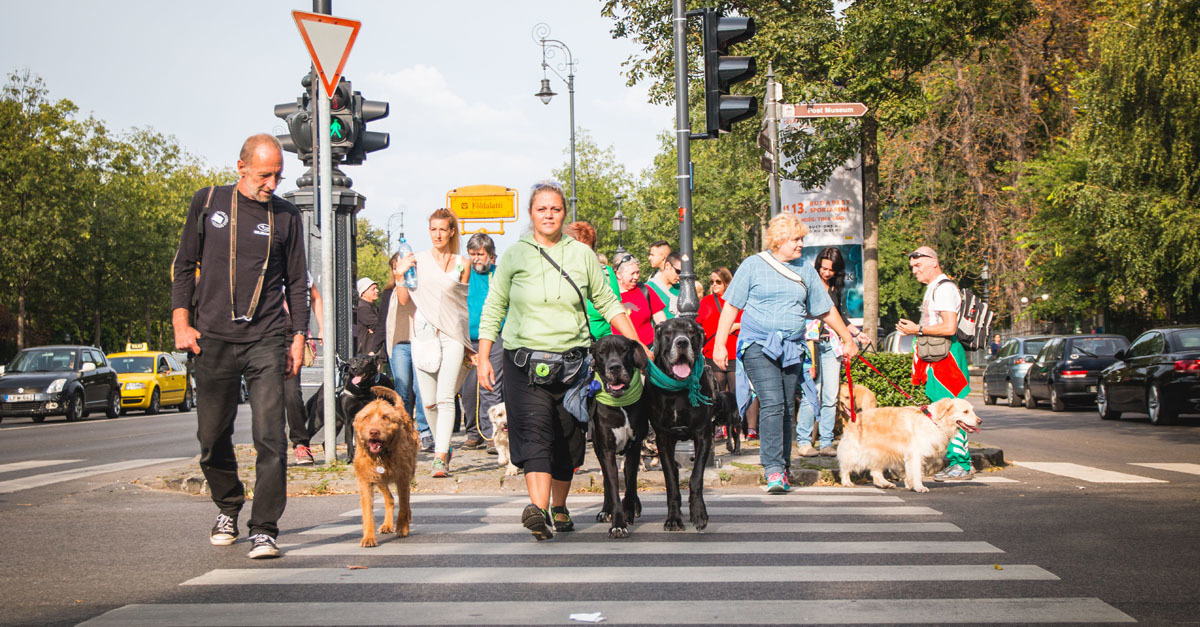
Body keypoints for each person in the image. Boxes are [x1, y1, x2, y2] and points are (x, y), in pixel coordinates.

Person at [477, 180, 646, 541]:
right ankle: (538, 510)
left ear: (563, 213)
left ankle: (559, 506)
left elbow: (607, 302)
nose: (549, 214)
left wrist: (636, 346)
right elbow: (494, 306)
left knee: (568, 440)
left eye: (555, 208)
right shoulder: (515, 255)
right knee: (535, 434)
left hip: (573, 364)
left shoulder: (581, 255)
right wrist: (482, 355)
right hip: (523, 361)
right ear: (531, 214)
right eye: (542, 209)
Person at [171, 134, 308, 559]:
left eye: (278, 175)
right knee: (212, 437)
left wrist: (299, 337)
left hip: (267, 338)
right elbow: (183, 265)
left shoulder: (286, 216)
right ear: (241, 167)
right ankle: (227, 506)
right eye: (265, 174)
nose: (273, 183)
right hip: (212, 338)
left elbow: (298, 283)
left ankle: (265, 527)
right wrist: (181, 322)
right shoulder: (207, 202)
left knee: (271, 437)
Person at [712, 213, 858, 494]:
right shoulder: (753, 265)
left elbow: (825, 309)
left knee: (786, 407)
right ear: (779, 240)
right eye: (796, 239)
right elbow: (730, 307)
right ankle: (773, 470)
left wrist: (846, 336)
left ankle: (783, 465)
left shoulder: (806, 272)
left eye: (802, 238)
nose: (802, 244)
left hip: (792, 347)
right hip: (758, 345)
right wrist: (720, 344)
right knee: (772, 401)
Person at [397, 209, 474, 478]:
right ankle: (444, 446)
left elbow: (461, 306)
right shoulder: (415, 260)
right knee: (428, 402)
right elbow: (405, 301)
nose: (438, 234)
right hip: (424, 333)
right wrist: (400, 274)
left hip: (452, 333)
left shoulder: (462, 264)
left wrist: (466, 343)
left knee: (445, 397)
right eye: (433, 229)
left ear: (452, 231)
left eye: (443, 229)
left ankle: (440, 456)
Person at [897, 245, 973, 481]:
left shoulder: (944, 288)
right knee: (941, 411)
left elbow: (949, 327)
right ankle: (955, 462)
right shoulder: (935, 288)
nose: (914, 271)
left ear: (933, 262)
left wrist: (917, 329)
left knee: (952, 411)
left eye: (918, 265)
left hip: (946, 359)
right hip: (937, 358)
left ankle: (962, 464)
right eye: (912, 267)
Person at [796, 247, 869, 457]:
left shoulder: (834, 288)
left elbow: (839, 318)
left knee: (830, 396)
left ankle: (826, 441)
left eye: (831, 270)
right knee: (812, 393)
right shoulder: (808, 285)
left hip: (832, 345)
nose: (826, 273)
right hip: (812, 345)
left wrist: (856, 334)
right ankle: (804, 440)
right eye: (823, 268)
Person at [380, 252, 432, 451]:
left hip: (419, 342)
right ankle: (403, 430)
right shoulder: (389, 293)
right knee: (402, 391)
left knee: (421, 389)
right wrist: (376, 351)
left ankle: (425, 431)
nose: (399, 269)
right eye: (396, 266)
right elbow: (381, 322)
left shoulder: (420, 289)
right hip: (398, 344)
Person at [458, 233, 504, 451]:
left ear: (491, 255)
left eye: (480, 254)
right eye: (473, 254)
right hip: (468, 338)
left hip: (494, 338)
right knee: (468, 389)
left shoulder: (499, 275)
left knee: (490, 386)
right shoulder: (464, 275)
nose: (476, 259)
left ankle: (491, 435)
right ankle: (473, 432)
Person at [284, 273, 323, 465]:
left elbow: (316, 297)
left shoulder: (301, 272)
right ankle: (270, 446)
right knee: (267, 396)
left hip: (292, 338)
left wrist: (322, 327)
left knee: (292, 394)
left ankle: (301, 445)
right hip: (265, 337)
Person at [563, 221, 620, 339]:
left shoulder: (606, 273)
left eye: (586, 251)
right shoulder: (559, 275)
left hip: (603, 346)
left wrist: (636, 343)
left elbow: (616, 309)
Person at [612, 252, 666, 346]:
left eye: (637, 272)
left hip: (649, 349)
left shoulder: (645, 290)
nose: (636, 277)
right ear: (619, 274)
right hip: (619, 351)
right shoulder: (610, 295)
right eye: (632, 273)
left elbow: (661, 320)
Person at [647, 252, 681, 318]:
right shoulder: (648, 288)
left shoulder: (682, 290)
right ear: (668, 265)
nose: (679, 276)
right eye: (678, 271)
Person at [354, 278, 379, 357]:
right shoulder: (363, 308)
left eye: (376, 288)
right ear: (363, 293)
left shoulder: (372, 306)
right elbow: (378, 326)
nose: (377, 291)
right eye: (373, 289)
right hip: (368, 353)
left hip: (373, 352)